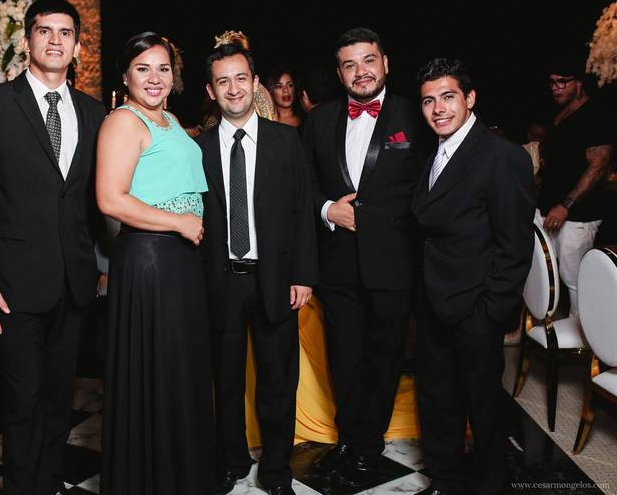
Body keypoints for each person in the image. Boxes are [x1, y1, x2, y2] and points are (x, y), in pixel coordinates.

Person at [0, 0, 106, 495]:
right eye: (44, 31)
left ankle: (48, 481)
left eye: (65, 32)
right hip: (10, 286)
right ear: (26, 40)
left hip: (73, 283)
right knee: (22, 400)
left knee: (60, 398)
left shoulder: (94, 112)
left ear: (77, 46)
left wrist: (104, 262)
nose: (55, 40)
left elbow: (94, 200)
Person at [301, 27, 427, 488]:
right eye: (350, 64)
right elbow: (303, 185)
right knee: (344, 357)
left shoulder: (416, 116)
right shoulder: (319, 120)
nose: (361, 72)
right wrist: (326, 209)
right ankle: (349, 436)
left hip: (394, 263)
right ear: (339, 74)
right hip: (338, 264)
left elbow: (430, 186)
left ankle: (368, 442)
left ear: (385, 63)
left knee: (384, 357)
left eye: (368, 60)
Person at [96, 32, 214, 495]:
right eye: (142, 68)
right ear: (125, 76)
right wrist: (178, 222)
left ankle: (181, 477)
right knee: (158, 372)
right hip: (150, 258)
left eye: (163, 68)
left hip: (178, 260)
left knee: (179, 371)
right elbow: (110, 198)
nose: (154, 77)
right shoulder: (122, 121)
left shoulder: (170, 120)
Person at [197, 43, 317, 495]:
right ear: (211, 90)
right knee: (225, 380)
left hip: (275, 281)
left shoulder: (286, 141)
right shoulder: (198, 149)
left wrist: (303, 274)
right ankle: (230, 460)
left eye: (240, 78)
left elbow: (302, 211)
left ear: (255, 83)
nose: (233, 88)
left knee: (277, 381)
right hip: (220, 281)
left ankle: (276, 470)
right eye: (223, 81)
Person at [412, 58, 535, 495]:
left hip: (475, 307)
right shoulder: (434, 152)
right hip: (433, 301)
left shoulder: (502, 156)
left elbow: (515, 246)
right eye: (429, 101)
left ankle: (489, 484)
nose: (438, 109)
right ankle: (444, 479)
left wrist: (489, 312)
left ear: (470, 98)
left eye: (448, 97)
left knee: (483, 407)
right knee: (437, 399)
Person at [536, 60, 613, 319]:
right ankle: (557, 328)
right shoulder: (560, 113)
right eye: (552, 82)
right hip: (550, 209)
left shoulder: (595, 114)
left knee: (574, 279)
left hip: (577, 215)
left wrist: (565, 205)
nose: (555, 88)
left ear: (578, 83)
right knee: (548, 274)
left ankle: (583, 335)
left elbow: (599, 166)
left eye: (562, 82)